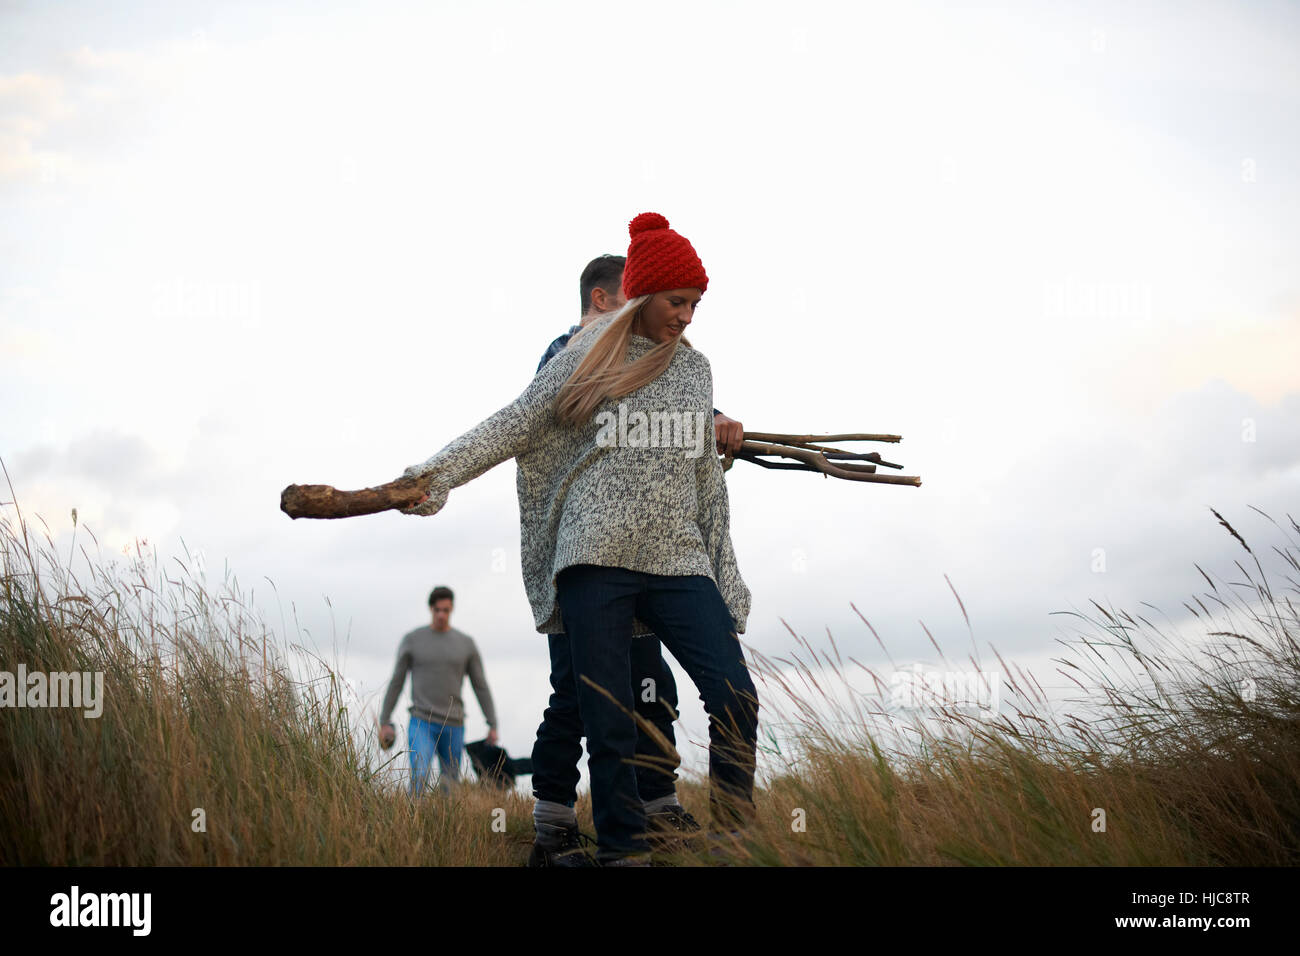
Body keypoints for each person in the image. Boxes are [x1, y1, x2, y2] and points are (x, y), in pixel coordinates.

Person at [399, 212, 758, 864]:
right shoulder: (582, 358)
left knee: (734, 693)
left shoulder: (695, 372)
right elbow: (514, 424)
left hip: (677, 559)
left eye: (695, 305)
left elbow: (707, 483)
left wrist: (725, 577)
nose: (687, 317)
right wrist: (432, 477)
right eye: (678, 302)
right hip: (594, 558)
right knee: (605, 716)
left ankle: (738, 843)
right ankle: (625, 852)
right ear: (642, 296)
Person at [527, 253, 747, 866]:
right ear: (603, 300)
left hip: (650, 559)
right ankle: (553, 824)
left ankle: (656, 808)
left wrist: (714, 418)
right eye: (641, 295)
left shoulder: (665, 361)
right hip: (583, 556)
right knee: (579, 690)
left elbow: (662, 407)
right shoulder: (565, 353)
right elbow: (603, 407)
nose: (668, 314)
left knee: (652, 686)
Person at [379, 586, 500, 795]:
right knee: (420, 773)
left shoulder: (466, 644)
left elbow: (480, 685)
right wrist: (384, 720)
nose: (441, 615)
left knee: (450, 785)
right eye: (437, 610)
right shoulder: (413, 640)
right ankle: (412, 824)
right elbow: (396, 681)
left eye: (446, 610)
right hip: (421, 720)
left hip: (454, 724)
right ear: (430, 609)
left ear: (452, 609)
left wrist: (492, 723)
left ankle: (445, 827)